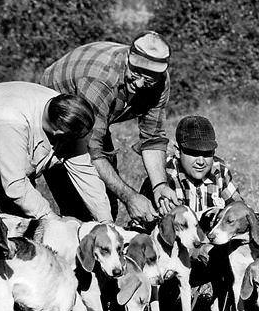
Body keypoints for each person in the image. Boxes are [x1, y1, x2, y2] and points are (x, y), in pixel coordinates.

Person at [39, 31, 177, 225]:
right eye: (136, 72)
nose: (138, 84)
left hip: (95, 115)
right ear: (129, 58)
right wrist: (130, 197)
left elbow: (152, 138)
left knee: (108, 202)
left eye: (148, 79)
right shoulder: (101, 79)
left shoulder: (160, 82)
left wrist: (160, 186)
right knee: (81, 207)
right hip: (58, 113)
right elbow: (91, 151)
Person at [0, 81, 111, 222]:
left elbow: (84, 172)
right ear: (59, 132)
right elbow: (15, 184)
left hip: (5, 144)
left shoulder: (69, 112)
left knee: (24, 229)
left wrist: (106, 222)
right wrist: (51, 219)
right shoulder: (11, 120)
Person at [141, 115, 244, 227]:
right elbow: (144, 226)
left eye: (207, 153)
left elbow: (240, 210)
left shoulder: (219, 172)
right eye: (193, 153)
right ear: (177, 151)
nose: (201, 161)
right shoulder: (162, 178)